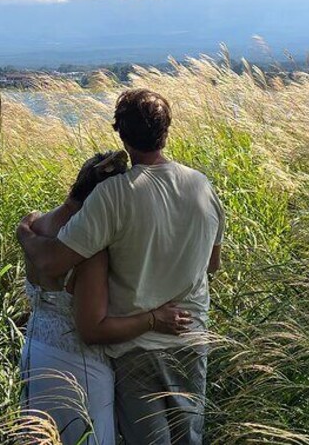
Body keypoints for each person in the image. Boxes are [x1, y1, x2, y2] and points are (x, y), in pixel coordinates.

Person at [18, 89, 225, 445]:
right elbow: (213, 263)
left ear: (122, 134)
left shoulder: (113, 195)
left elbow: (53, 261)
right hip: (191, 338)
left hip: (136, 347)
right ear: (166, 131)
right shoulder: (201, 186)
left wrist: (24, 234)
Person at [20, 149, 193, 445]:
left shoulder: (34, 225)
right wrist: (154, 319)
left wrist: (22, 231)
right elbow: (93, 330)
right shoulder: (89, 248)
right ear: (105, 197)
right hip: (77, 367)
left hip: (35, 353)